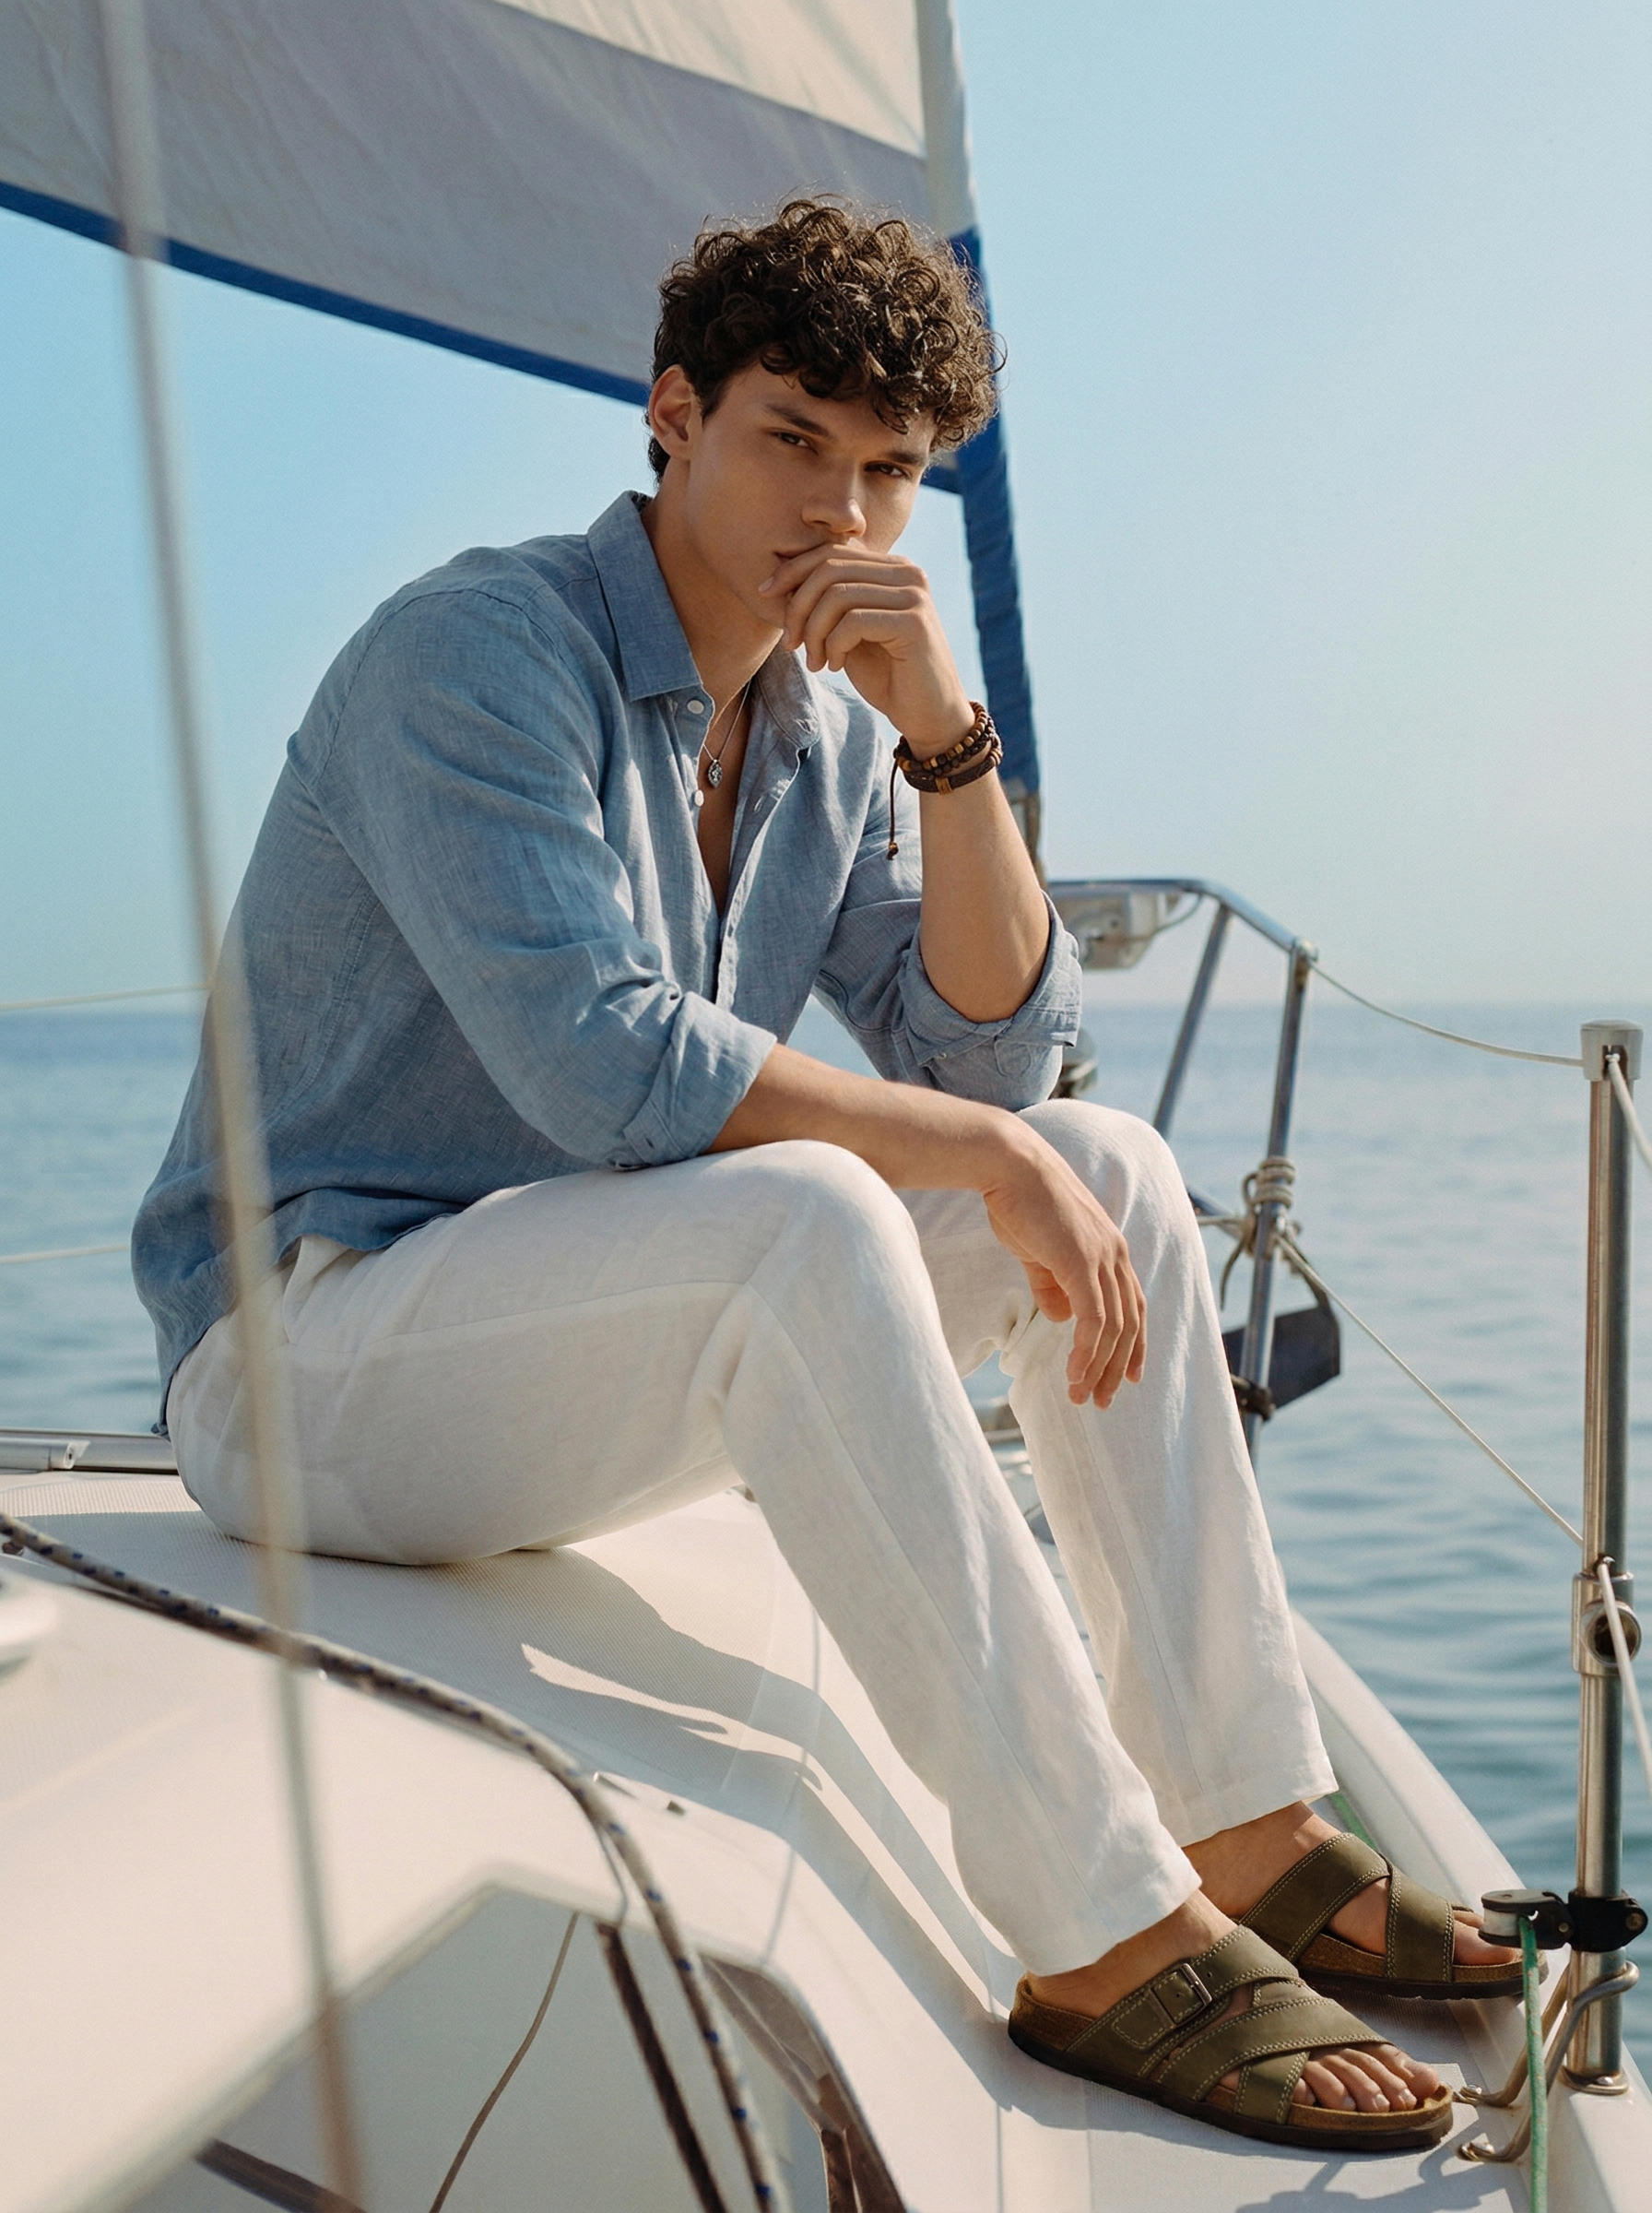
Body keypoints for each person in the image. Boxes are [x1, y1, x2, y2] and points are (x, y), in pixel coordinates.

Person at [134, 198, 1513, 2150]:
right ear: (673, 415)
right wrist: (953, 1143)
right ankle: (1100, 1937)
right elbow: (602, 1066)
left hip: (565, 1343)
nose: (838, 515)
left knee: (1101, 1169)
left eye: (887, 475)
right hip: (311, 1364)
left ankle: (1249, 1822)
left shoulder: (823, 727)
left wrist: (944, 742)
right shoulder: (473, 652)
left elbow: (992, 1060)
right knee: (819, 1211)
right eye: (792, 441)